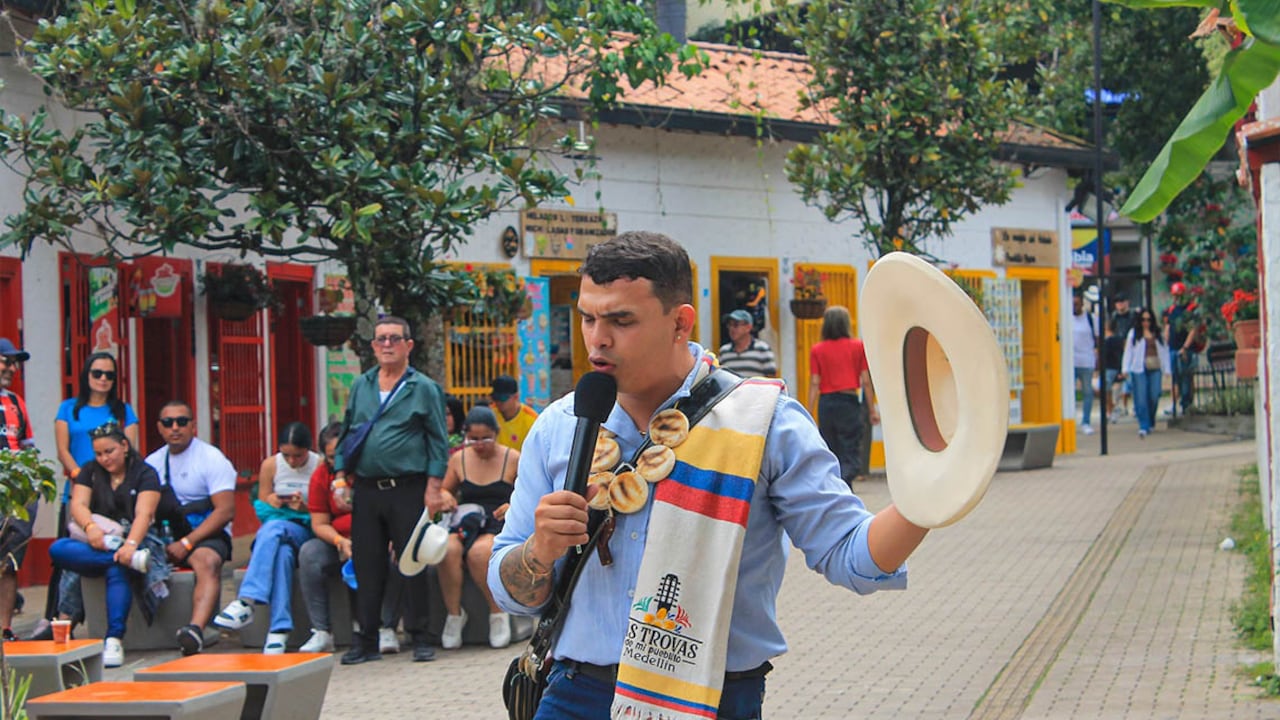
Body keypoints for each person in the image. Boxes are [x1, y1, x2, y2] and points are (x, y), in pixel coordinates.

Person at [489, 232, 928, 719]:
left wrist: (927, 498)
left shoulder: (764, 422)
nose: (598, 339)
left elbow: (850, 554)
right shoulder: (559, 426)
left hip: (712, 697)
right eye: (588, 318)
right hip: (577, 692)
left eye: (621, 320)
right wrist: (539, 551)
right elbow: (512, 591)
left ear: (680, 323)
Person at [333, 316, 449, 664]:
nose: (387, 345)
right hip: (367, 489)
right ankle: (365, 639)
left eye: (394, 339)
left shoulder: (423, 387)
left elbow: (437, 441)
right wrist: (340, 476)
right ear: (372, 346)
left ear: (408, 345)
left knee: (412, 562)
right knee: (367, 564)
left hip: (408, 487)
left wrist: (434, 487)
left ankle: (421, 636)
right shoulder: (362, 385)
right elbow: (348, 433)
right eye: (381, 339)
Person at [42, 352, 141, 640]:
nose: (103, 379)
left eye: (109, 375)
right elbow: (63, 450)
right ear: (87, 375)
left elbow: (129, 451)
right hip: (78, 494)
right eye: (97, 373)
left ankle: (86, 619)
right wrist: (81, 479)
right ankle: (59, 622)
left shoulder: (123, 411)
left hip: (114, 496)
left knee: (103, 552)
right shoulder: (69, 408)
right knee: (68, 558)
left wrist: (109, 484)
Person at [49, 422, 159, 668]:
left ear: (124, 446)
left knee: (116, 568)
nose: (104, 458)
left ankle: (113, 638)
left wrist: (130, 545)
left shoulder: (145, 473)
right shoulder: (89, 471)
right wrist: (91, 528)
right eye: (99, 454)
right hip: (96, 543)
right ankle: (121, 557)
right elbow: (78, 505)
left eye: (109, 451)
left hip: (136, 539)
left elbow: (144, 513)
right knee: (58, 549)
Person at [297, 422, 413, 654]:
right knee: (309, 554)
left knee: (398, 552)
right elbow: (319, 523)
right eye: (332, 457)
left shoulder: (375, 471)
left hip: (379, 536)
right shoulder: (321, 476)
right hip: (340, 541)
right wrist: (341, 542)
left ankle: (387, 627)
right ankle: (321, 631)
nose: (339, 461)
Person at [213, 423, 321, 653]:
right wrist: (273, 501)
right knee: (281, 554)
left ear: (308, 450)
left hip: (306, 530)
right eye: (287, 455)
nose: (292, 462)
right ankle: (278, 630)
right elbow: (261, 509)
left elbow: (322, 513)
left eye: (298, 456)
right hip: (277, 531)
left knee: (273, 530)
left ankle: (247, 600)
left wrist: (302, 509)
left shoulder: (318, 465)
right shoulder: (270, 465)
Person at [143, 401, 236, 656]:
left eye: (182, 422)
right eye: (168, 422)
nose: (175, 428)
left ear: (193, 426)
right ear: (159, 428)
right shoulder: (151, 463)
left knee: (205, 561)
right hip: (163, 534)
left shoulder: (211, 459)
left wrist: (187, 543)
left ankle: (195, 629)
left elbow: (225, 511)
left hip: (206, 533)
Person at [438, 406, 518, 650]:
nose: (480, 444)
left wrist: (512, 505)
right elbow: (444, 489)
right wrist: (445, 497)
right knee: (448, 549)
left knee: (479, 553)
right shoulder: (459, 459)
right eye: (473, 439)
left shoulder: (513, 458)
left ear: (496, 433)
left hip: (498, 521)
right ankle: (454, 614)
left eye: (486, 438)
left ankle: (497, 613)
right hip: (468, 520)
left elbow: (530, 493)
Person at [808, 305, 877, 486]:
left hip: (826, 403)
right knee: (851, 447)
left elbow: (815, 382)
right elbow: (866, 381)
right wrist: (872, 409)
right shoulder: (857, 347)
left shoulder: (817, 349)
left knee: (831, 448)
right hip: (848, 402)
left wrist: (808, 411)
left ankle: (838, 486)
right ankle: (845, 481)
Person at [0, 338, 36, 640]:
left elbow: (28, 447)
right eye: (5, 360)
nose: (12, 368)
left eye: (14, 362)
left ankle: (4, 629)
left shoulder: (15, 402)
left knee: (9, 563)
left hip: (15, 494)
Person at [1121, 308, 1171, 438]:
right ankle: (1144, 424)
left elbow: (1164, 351)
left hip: (1155, 367)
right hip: (1139, 368)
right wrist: (1125, 368)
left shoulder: (1157, 333)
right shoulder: (1134, 334)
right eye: (1143, 320)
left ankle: (1150, 418)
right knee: (1141, 397)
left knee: (1154, 395)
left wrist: (1167, 369)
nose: (1146, 322)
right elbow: (1128, 351)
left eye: (1148, 320)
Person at [1163, 282, 1201, 415]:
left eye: (1179, 295)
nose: (1176, 298)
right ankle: (1174, 403)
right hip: (1172, 348)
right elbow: (1167, 327)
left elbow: (1192, 330)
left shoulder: (1190, 310)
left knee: (1186, 376)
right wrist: (1165, 345)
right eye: (1175, 295)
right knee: (1175, 378)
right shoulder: (1171, 310)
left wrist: (1185, 347)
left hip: (1185, 349)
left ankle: (1187, 404)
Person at [717, 309, 777, 378]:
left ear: (748, 327)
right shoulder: (724, 351)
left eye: (735, 325)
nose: (731, 329)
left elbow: (771, 378)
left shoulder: (762, 349)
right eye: (729, 325)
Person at [1071, 292, 1098, 435]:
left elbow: (1097, 338)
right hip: (1072, 361)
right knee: (1071, 393)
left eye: (1076, 304)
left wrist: (1097, 358)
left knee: (1087, 391)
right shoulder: (1067, 318)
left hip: (1086, 360)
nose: (1074, 307)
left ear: (1082, 304)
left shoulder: (1090, 318)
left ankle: (1086, 421)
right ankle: (1070, 419)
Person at [490, 375, 539, 452]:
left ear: (516, 397)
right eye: (495, 398)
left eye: (503, 398)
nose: (498, 402)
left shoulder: (532, 420)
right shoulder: (490, 414)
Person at [1109, 294, 1137, 416]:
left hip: (1132, 349)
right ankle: (1119, 406)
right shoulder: (1114, 317)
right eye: (1117, 302)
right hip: (1117, 351)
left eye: (1122, 301)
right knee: (1119, 379)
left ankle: (1133, 406)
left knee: (1132, 378)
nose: (1120, 304)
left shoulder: (1133, 315)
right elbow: (1109, 330)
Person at [1102, 320, 1125, 425]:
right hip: (1117, 367)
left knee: (1107, 391)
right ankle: (1113, 409)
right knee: (1115, 391)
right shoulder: (1119, 340)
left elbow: (1104, 355)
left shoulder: (1107, 341)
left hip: (1108, 367)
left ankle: (1110, 410)